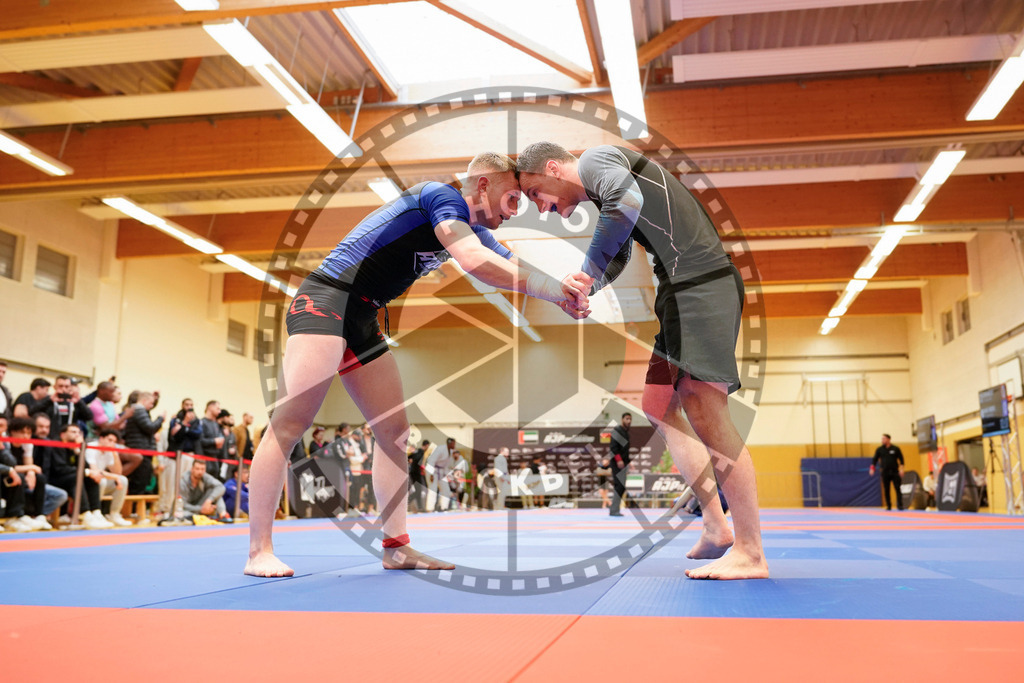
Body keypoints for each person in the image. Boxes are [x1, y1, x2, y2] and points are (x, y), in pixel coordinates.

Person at [244, 151, 589, 577]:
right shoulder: (440, 197)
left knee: (394, 431)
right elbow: (474, 262)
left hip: (363, 315)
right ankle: (259, 549)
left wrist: (565, 285)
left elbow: (513, 262)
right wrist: (551, 290)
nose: (516, 210)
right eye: (514, 197)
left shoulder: (475, 228)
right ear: (483, 184)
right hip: (326, 298)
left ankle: (397, 547)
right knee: (291, 422)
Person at [517, 141, 768, 579]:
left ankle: (751, 550)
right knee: (658, 405)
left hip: (701, 284)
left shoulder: (595, 160)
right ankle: (716, 525)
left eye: (537, 194)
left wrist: (587, 273)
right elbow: (619, 250)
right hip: (678, 291)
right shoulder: (602, 192)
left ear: (553, 168)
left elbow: (626, 203)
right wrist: (584, 287)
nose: (542, 209)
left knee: (705, 407)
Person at [84, 428, 132, 526]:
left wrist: (115, 454)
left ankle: (114, 514)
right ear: (101, 439)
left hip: (101, 478)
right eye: (110, 440)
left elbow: (118, 472)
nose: (112, 443)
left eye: (114, 441)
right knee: (101, 481)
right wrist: (114, 477)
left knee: (123, 480)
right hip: (88, 481)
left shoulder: (109, 451)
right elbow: (95, 471)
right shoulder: (91, 447)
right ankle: (96, 513)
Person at [122, 391, 163, 495]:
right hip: (141, 450)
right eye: (151, 403)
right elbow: (150, 428)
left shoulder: (139, 410)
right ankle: (133, 510)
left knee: (141, 483)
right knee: (139, 483)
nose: (152, 406)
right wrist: (161, 419)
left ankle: (134, 509)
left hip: (142, 449)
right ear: (144, 401)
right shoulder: (139, 411)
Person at [870, 433, 904, 511]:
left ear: (888, 439)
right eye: (882, 439)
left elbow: (901, 459)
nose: (882, 440)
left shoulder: (895, 448)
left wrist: (902, 469)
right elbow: (874, 459)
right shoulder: (880, 449)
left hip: (895, 472)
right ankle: (888, 505)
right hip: (885, 472)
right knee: (886, 489)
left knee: (897, 488)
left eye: (884, 439)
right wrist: (872, 468)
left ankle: (900, 505)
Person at [607, 413, 632, 516]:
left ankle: (615, 509)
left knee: (621, 486)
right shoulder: (617, 430)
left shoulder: (626, 433)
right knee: (619, 486)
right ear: (622, 419)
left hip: (623, 463)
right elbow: (613, 448)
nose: (629, 421)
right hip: (617, 463)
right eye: (627, 419)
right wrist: (619, 460)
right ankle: (614, 510)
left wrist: (628, 462)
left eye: (630, 419)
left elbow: (624, 451)